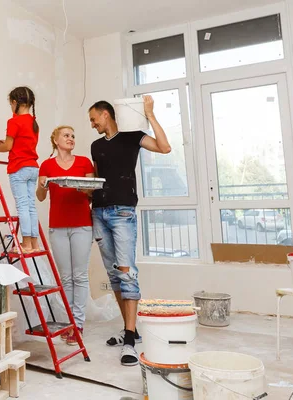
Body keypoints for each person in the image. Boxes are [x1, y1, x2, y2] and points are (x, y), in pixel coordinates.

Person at [88, 95, 171, 366]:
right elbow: (97, 179)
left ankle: (129, 338)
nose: (92, 124)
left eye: (93, 119)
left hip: (123, 212)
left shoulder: (132, 136)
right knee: (114, 276)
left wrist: (150, 115)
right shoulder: (95, 145)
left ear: (106, 114)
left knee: (127, 274)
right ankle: (130, 331)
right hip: (98, 212)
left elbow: (164, 147)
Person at [36, 126, 95, 346]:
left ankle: (77, 325)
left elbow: (92, 191)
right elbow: (41, 196)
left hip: (81, 225)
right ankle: (68, 323)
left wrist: (82, 188)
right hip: (58, 226)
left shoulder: (84, 163)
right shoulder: (47, 165)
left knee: (79, 276)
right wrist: (43, 184)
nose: (71, 138)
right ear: (55, 139)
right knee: (66, 278)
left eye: (73, 135)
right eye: (66, 135)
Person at [0, 86, 40, 253]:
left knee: (22, 206)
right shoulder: (33, 123)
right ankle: (34, 243)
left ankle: (25, 243)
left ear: (14, 102)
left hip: (19, 168)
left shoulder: (14, 121)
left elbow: (9, 145)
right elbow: (21, 143)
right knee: (31, 206)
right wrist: (5, 144)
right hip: (33, 168)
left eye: (11, 104)